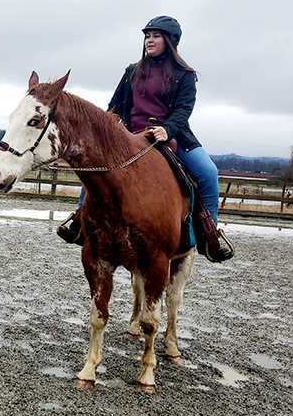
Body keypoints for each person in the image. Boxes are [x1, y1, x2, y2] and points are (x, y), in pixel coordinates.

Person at [57, 15, 222, 244]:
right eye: (147, 36)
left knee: (208, 173)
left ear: (170, 40)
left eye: (156, 36)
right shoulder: (132, 71)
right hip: (130, 134)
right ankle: (79, 220)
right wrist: (108, 129)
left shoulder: (185, 76)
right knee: (95, 166)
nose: (149, 41)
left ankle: (209, 232)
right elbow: (115, 106)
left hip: (170, 136)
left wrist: (168, 129)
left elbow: (184, 109)